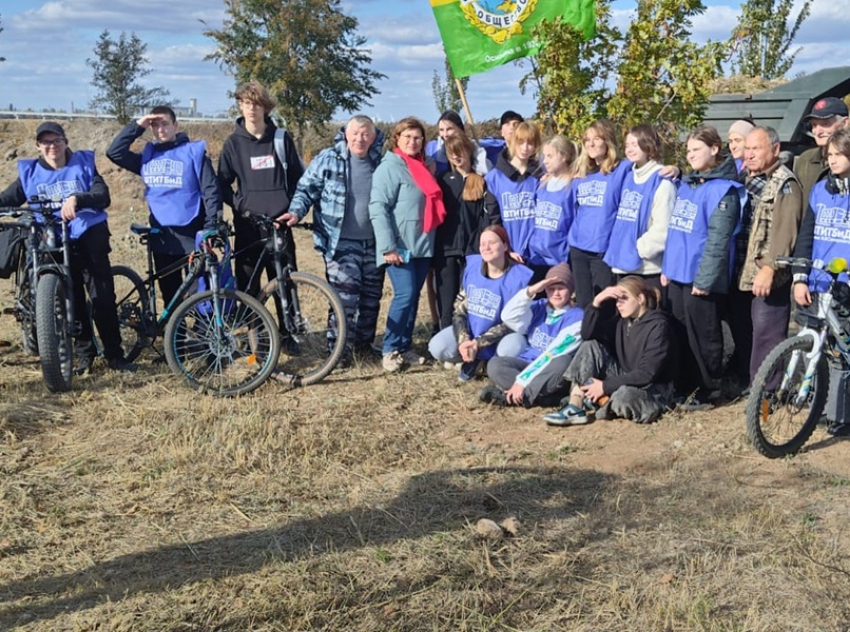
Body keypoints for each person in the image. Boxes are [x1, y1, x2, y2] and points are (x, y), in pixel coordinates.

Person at [2, 122, 134, 373]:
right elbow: (8, 198)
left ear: (66, 142)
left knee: (102, 297)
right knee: (72, 300)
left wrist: (77, 198)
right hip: (52, 238)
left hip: (88, 235)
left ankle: (115, 355)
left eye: (57, 141)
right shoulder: (29, 173)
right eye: (46, 142)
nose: (53, 146)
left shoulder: (83, 164)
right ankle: (86, 355)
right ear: (38, 146)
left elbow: (102, 195)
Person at [278, 115, 386, 363]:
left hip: (374, 243)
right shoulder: (329, 158)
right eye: (356, 133)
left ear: (373, 136)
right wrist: (296, 211)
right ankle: (338, 353)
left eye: (365, 134)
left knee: (371, 299)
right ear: (346, 134)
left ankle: (363, 346)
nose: (360, 138)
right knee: (344, 300)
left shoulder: (380, 161)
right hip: (340, 241)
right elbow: (306, 189)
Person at [661, 125, 744, 409]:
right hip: (678, 273)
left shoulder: (725, 191)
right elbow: (676, 230)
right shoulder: (689, 184)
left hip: (701, 278)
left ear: (714, 149)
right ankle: (684, 387)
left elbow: (718, 241)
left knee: (703, 336)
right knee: (680, 331)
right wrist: (667, 267)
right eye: (688, 150)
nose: (690, 155)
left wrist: (705, 280)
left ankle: (706, 390)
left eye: (696, 149)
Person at [107, 105, 222, 306]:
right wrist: (138, 125)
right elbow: (114, 152)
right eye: (155, 125)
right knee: (170, 294)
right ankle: (177, 335)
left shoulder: (193, 153)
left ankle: (202, 333)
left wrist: (212, 225)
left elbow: (211, 190)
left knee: (198, 291)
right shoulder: (148, 157)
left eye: (165, 124)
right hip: (161, 235)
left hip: (191, 232)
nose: (161, 129)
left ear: (175, 125)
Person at [726, 126, 803, 388]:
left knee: (767, 336)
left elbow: (786, 231)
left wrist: (770, 268)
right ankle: (748, 382)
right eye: (746, 148)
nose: (749, 154)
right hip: (741, 270)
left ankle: (767, 396)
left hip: (767, 274)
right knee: (744, 331)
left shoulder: (785, 182)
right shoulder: (742, 178)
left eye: (755, 148)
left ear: (775, 149)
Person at [543, 276, 677, 426]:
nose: (619, 304)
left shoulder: (659, 325)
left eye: (624, 299)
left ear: (640, 299)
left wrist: (604, 386)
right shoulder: (623, 322)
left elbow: (647, 373)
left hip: (654, 388)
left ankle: (600, 402)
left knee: (625, 396)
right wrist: (596, 303)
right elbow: (588, 335)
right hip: (625, 378)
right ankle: (575, 405)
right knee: (590, 346)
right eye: (617, 300)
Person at [370, 117, 446, 372]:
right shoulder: (390, 168)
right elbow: (378, 207)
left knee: (413, 297)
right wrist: (387, 246)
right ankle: (390, 348)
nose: (413, 142)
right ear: (397, 140)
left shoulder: (425, 166)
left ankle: (405, 347)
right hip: (399, 246)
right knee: (404, 294)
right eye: (408, 137)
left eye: (417, 137)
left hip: (422, 244)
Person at [217, 81, 304, 299]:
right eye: (247, 103)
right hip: (248, 227)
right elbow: (222, 184)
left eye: (257, 104)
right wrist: (241, 206)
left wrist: (289, 208)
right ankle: (256, 333)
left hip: (279, 225)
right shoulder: (233, 144)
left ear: (266, 107)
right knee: (248, 289)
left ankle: (288, 333)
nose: (252, 109)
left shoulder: (281, 139)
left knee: (285, 286)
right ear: (240, 106)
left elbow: (298, 179)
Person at [792, 127, 850, 437]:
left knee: (843, 348)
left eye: (839, 154)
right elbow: (806, 235)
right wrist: (800, 276)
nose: (832, 160)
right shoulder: (820, 189)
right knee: (825, 346)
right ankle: (824, 407)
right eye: (829, 155)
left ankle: (841, 415)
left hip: (846, 283)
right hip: (819, 280)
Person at [428, 226, 533, 380]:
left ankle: (490, 363)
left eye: (492, 242)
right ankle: (475, 359)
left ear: (505, 246)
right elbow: (459, 311)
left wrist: (479, 343)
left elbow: (512, 324)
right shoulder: (472, 268)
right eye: (482, 244)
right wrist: (464, 341)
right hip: (472, 331)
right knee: (437, 347)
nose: (486, 247)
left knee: (512, 349)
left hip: (503, 336)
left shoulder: (520, 277)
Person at [478, 263, 583, 407]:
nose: (556, 293)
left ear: (570, 290)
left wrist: (522, 382)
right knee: (495, 364)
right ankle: (544, 399)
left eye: (561, 288)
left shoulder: (577, 318)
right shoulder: (540, 306)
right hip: (529, 363)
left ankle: (517, 397)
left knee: (562, 361)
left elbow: (553, 353)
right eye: (551, 288)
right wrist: (531, 291)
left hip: (551, 369)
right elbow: (508, 316)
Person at [567, 119, 632, 308]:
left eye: (596, 139)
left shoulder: (622, 169)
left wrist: (675, 170)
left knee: (605, 305)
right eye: (587, 140)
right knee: (584, 304)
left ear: (608, 141)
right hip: (578, 247)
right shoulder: (582, 174)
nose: (591, 144)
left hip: (603, 250)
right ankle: (587, 338)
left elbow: (648, 173)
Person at [603, 124, 676, 290]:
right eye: (627, 145)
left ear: (648, 145)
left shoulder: (662, 181)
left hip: (646, 270)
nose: (629, 149)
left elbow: (663, 229)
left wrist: (638, 249)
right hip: (622, 265)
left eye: (635, 144)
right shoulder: (628, 177)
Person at [432, 132, 490, 330]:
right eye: (451, 153)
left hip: (472, 251)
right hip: (446, 249)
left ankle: (469, 340)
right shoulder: (443, 180)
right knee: (446, 300)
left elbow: (485, 218)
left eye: (460, 152)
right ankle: (447, 339)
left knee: (470, 300)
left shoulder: (480, 181)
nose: (456, 157)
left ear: (469, 152)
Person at [484, 121, 541, 262]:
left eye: (530, 143)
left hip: (537, 253)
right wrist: (506, 249)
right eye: (521, 142)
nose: (525, 148)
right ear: (513, 142)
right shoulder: (494, 178)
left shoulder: (541, 176)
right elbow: (494, 219)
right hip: (507, 252)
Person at [525, 135, 577, 281]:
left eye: (550, 156)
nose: (545, 160)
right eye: (544, 156)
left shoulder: (573, 185)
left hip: (559, 258)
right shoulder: (541, 185)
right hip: (537, 257)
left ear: (564, 156)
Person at [795, 97, 849, 205]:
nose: (817, 132)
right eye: (814, 125)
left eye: (825, 124)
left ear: (845, 123)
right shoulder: (805, 160)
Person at [424, 110, 490, 177]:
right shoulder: (435, 149)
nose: (445, 134)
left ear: (460, 129)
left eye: (449, 129)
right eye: (441, 130)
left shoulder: (472, 147)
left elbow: (484, 170)